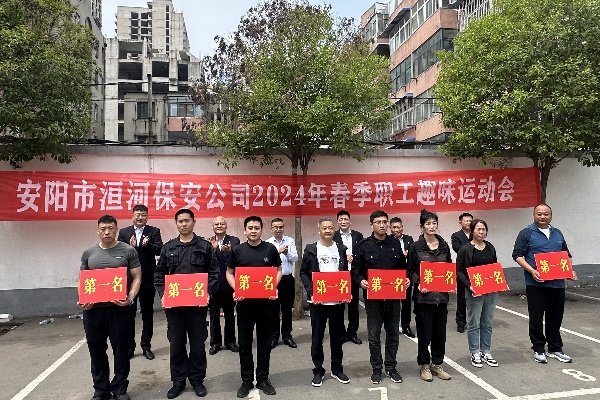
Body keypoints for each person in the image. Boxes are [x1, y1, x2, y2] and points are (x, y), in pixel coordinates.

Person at [154, 209, 219, 399]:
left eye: (187, 220)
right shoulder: (168, 248)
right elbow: (159, 274)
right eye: (180, 221)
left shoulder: (204, 246)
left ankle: (197, 380)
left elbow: (214, 272)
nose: (184, 224)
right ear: (176, 224)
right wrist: (163, 294)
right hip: (174, 307)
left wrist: (208, 293)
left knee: (197, 344)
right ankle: (178, 381)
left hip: (197, 306)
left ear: (193, 222)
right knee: (176, 344)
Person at [80, 215, 142, 400]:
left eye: (110, 228)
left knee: (121, 350)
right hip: (93, 310)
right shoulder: (89, 253)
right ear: (97, 231)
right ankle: (101, 390)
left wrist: (130, 298)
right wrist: (83, 299)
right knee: (96, 350)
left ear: (116, 230)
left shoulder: (128, 251)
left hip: (119, 309)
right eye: (103, 229)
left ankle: (120, 388)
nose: (107, 232)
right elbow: (82, 279)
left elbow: (137, 277)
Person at [512, 203, 577, 364]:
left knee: (555, 317)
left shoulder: (557, 233)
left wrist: (569, 271)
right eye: (539, 213)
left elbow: (566, 255)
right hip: (536, 283)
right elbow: (517, 255)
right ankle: (539, 348)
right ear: (534, 215)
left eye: (546, 214)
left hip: (557, 283)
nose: (542, 216)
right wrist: (532, 271)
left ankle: (555, 348)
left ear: (551, 216)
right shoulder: (526, 233)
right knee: (536, 317)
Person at [226, 216, 282, 398]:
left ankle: (263, 379)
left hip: (266, 305)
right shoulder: (237, 250)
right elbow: (229, 273)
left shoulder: (270, 249)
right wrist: (237, 289)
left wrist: (273, 286)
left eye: (256, 228)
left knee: (265, 344)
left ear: (261, 230)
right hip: (245, 305)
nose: (253, 231)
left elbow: (278, 270)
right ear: (245, 230)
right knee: (245, 344)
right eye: (250, 228)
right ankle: (247, 380)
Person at [353, 210, 408, 385]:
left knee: (393, 334)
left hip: (393, 298)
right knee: (374, 335)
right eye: (378, 222)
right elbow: (356, 270)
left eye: (385, 222)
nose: (382, 225)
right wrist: (361, 281)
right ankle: (376, 368)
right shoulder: (364, 245)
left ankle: (391, 367)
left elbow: (403, 268)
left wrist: (406, 279)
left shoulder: (395, 243)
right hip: (373, 299)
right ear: (371, 225)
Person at [300, 217, 351, 387]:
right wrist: (311, 291)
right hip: (318, 303)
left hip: (337, 303)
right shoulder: (311, 249)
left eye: (330, 228)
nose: (328, 231)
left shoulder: (341, 249)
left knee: (337, 338)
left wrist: (346, 292)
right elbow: (303, 273)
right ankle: (318, 370)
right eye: (324, 228)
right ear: (319, 230)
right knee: (317, 338)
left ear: (334, 230)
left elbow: (344, 274)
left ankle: (337, 369)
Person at [408, 209, 453, 382]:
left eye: (434, 223)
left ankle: (437, 364)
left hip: (441, 298)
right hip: (424, 299)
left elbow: (448, 268)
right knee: (424, 334)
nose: (432, 226)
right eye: (428, 223)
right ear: (422, 226)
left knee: (440, 333)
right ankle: (424, 365)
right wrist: (419, 283)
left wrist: (450, 284)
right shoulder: (415, 247)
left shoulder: (444, 245)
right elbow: (410, 271)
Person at [117, 204, 163, 360]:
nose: (140, 217)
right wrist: (129, 248)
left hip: (147, 279)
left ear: (147, 217)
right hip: (130, 281)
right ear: (132, 216)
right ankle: (130, 347)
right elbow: (119, 253)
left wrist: (147, 245)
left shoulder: (154, 231)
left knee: (147, 315)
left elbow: (160, 250)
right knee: (129, 316)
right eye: (137, 214)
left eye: (143, 214)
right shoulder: (124, 233)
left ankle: (146, 346)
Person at [456, 219, 500, 368]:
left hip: (490, 291)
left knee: (487, 323)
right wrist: (469, 286)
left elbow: (494, 268)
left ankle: (486, 351)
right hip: (474, 292)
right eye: (478, 229)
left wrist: (499, 283)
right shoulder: (465, 249)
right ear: (472, 231)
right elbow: (459, 271)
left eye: (483, 229)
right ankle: (475, 352)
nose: (481, 232)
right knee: (474, 323)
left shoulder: (490, 247)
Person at [208, 216, 240, 355]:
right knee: (214, 316)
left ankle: (230, 341)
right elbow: (207, 263)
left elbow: (237, 261)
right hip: (214, 285)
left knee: (230, 314)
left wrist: (229, 253)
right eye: (217, 224)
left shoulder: (234, 240)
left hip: (228, 284)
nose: (219, 226)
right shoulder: (208, 242)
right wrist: (214, 250)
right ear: (213, 227)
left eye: (222, 224)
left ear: (226, 226)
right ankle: (215, 343)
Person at [266, 218, 298, 349]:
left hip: (287, 279)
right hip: (273, 280)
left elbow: (295, 258)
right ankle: (274, 337)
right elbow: (266, 262)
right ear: (271, 229)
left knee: (287, 309)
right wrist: (277, 252)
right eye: (276, 227)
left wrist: (287, 253)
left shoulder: (290, 241)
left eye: (281, 227)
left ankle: (287, 336)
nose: (278, 229)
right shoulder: (267, 243)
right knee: (273, 309)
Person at [333, 210, 364, 345]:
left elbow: (361, 253)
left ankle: (352, 332)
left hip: (353, 274)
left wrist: (354, 257)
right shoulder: (333, 236)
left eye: (346, 219)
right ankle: (341, 333)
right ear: (337, 222)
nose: (343, 222)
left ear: (350, 221)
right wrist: (344, 256)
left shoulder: (358, 235)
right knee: (339, 305)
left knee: (353, 305)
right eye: (341, 219)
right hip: (339, 275)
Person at [390, 217, 415, 338]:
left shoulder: (409, 239)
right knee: (393, 303)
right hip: (393, 275)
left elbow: (413, 257)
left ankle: (406, 326)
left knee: (406, 303)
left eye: (398, 227)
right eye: (394, 227)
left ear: (402, 227)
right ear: (390, 228)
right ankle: (392, 327)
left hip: (406, 275)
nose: (396, 230)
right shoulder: (388, 240)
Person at [451, 212, 473, 333]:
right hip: (462, 270)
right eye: (466, 220)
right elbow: (458, 249)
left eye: (470, 220)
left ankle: (474, 322)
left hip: (475, 270)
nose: (468, 223)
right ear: (460, 222)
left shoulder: (475, 233)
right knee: (461, 297)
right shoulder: (456, 236)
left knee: (476, 297)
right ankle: (460, 322)